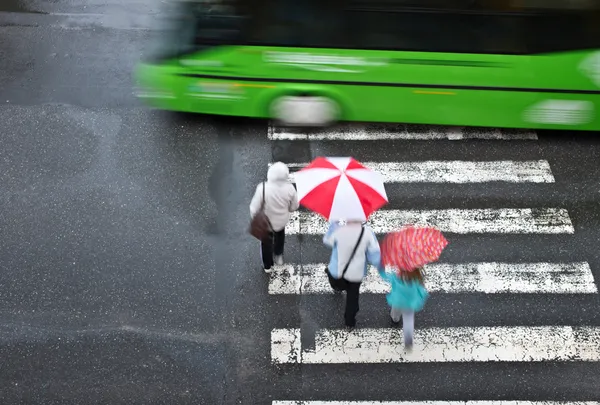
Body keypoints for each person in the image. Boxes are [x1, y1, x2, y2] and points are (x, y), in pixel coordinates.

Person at [323, 220, 382, 328]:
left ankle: (336, 286)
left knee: (336, 283)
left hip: (338, 271)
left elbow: (327, 241)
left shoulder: (339, 231)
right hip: (356, 273)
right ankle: (349, 322)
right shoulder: (368, 233)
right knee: (352, 298)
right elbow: (374, 256)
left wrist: (333, 226)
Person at [250, 162, 299, 273]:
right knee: (280, 237)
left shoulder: (262, 188)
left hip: (266, 222)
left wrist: (254, 217)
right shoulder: (290, 188)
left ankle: (267, 266)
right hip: (281, 221)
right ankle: (278, 256)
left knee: (265, 244)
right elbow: (294, 206)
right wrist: (288, 209)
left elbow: (254, 207)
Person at [377, 266, 429, 350]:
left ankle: (395, 319)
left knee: (395, 312)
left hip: (398, 301)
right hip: (410, 303)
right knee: (408, 320)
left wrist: (381, 269)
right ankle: (408, 340)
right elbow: (421, 289)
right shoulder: (417, 278)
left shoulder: (397, 277)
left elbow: (386, 277)